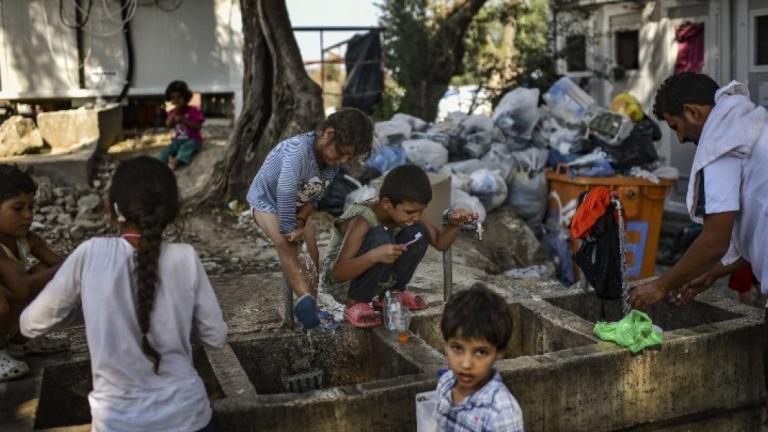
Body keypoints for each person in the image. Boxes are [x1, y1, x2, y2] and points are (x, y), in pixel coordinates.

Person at [20, 156, 227, 431]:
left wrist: (90, 311)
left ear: (111, 208)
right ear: (174, 211)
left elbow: (31, 324)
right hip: (188, 417)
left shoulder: (90, 254)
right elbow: (215, 335)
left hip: (118, 422)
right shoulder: (185, 258)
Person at [629, 74, 768, 317]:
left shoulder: (721, 143)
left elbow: (714, 242)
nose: (680, 139)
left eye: (676, 127)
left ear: (692, 112)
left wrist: (660, 286)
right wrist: (712, 273)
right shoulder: (751, 127)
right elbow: (758, 233)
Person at [246, 107, 374, 329]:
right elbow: (285, 192)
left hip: (297, 206)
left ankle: (313, 306)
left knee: (312, 251)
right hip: (266, 201)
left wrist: (302, 221)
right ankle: (304, 299)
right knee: (286, 244)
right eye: (341, 152)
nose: (342, 160)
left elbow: (314, 198)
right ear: (328, 133)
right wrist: (289, 228)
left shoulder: (331, 165)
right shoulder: (298, 152)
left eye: (349, 157)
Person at [323, 164, 478, 328]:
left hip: (373, 276)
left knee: (419, 232)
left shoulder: (409, 214)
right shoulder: (363, 220)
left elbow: (440, 244)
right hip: (343, 286)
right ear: (387, 204)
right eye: (410, 212)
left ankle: (390, 295)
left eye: (421, 211)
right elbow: (337, 274)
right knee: (380, 236)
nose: (416, 216)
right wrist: (374, 255)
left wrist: (454, 226)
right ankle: (355, 303)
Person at [0, 164, 67, 381]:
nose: (28, 215)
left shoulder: (26, 239)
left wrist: (66, 269)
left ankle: (23, 341)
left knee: (42, 271)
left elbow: (63, 270)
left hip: (10, 311)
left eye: (31, 206)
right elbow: (20, 289)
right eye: (18, 208)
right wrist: (72, 264)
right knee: (5, 299)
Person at [435, 284, 524, 432]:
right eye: (457, 348)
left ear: (500, 352)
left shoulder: (501, 412)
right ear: (445, 345)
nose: (466, 364)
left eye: (480, 352)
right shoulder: (445, 383)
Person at [157, 80, 205, 170]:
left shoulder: (193, 110)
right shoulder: (172, 112)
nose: (177, 100)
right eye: (173, 98)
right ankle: (158, 161)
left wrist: (184, 121)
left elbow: (198, 126)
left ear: (186, 97)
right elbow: (168, 124)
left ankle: (177, 161)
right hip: (178, 140)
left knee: (185, 148)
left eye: (179, 97)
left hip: (193, 139)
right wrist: (174, 113)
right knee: (169, 149)